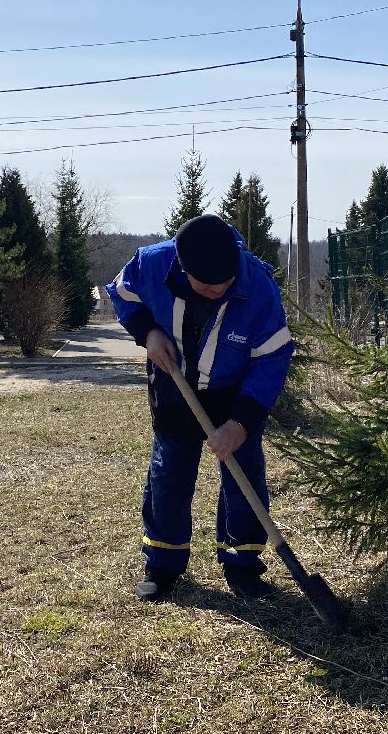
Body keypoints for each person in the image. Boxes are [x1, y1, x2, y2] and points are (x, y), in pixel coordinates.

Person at [106, 214, 295, 601]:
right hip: (174, 384)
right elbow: (122, 294)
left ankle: (242, 565)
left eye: (225, 282)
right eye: (206, 283)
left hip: (234, 393)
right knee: (170, 474)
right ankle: (162, 563)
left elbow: (272, 356)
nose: (218, 288)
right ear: (182, 267)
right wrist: (148, 332)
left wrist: (241, 423)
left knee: (245, 477)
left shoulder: (257, 285)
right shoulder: (152, 264)